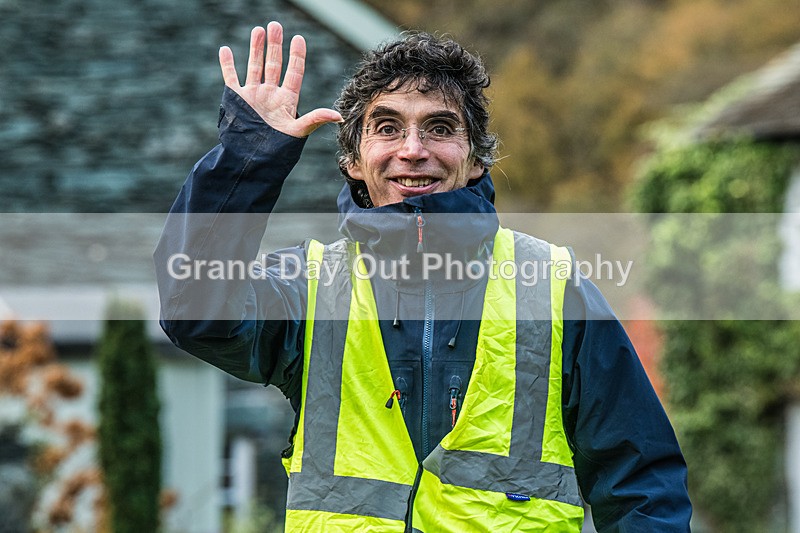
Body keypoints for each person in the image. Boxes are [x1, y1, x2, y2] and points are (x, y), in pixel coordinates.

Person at [154, 21, 692, 532]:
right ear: (354, 159)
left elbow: (641, 482)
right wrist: (248, 158)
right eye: (387, 128)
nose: (413, 150)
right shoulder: (308, 285)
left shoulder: (554, 285)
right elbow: (194, 310)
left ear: (475, 159)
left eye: (439, 128)